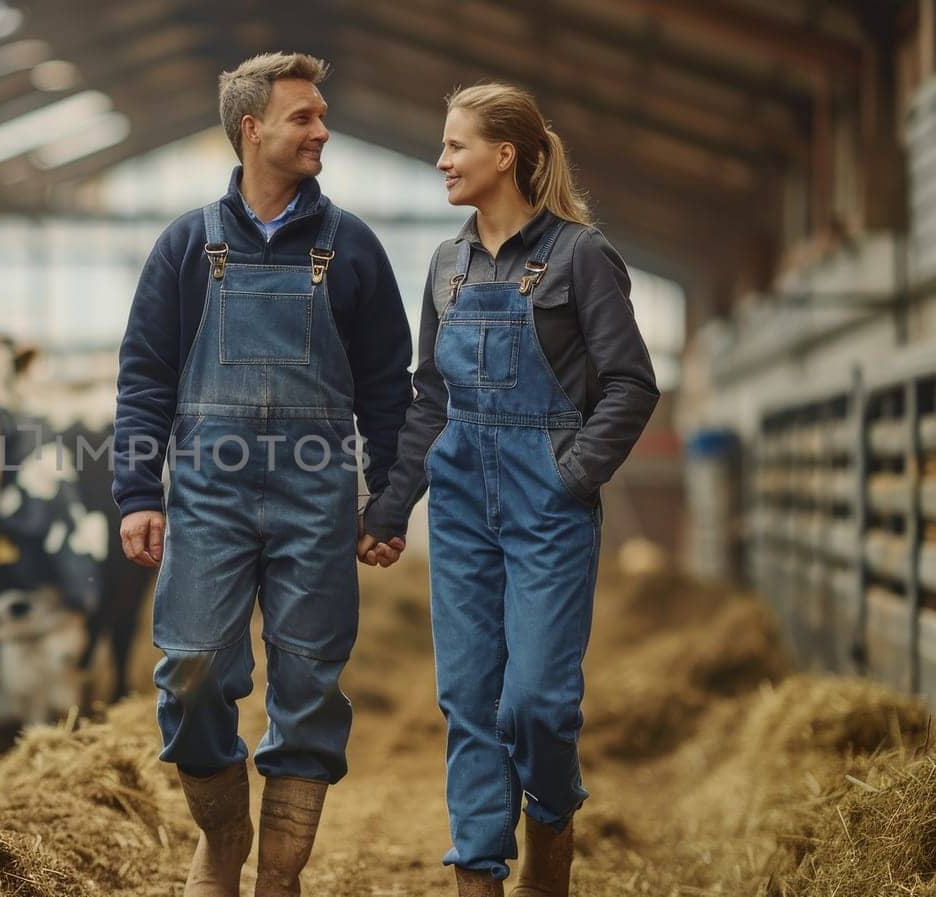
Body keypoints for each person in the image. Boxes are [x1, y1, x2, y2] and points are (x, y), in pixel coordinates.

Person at [113, 52, 412, 896]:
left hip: (318, 495)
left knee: (310, 684)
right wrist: (138, 489)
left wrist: (387, 500)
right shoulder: (186, 244)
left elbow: (390, 385)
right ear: (253, 129)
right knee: (193, 667)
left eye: (322, 115)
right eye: (304, 117)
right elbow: (145, 375)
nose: (322, 129)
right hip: (209, 487)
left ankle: (277, 877)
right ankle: (223, 833)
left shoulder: (351, 245)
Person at [360, 83, 661, 897]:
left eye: (455, 145)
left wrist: (571, 475)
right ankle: (480, 875)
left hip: (547, 511)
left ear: (505, 156)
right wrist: (391, 507)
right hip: (460, 509)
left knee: (535, 703)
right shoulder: (445, 267)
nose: (441, 160)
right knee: (467, 700)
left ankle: (553, 824)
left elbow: (631, 385)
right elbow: (430, 398)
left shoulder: (580, 256)